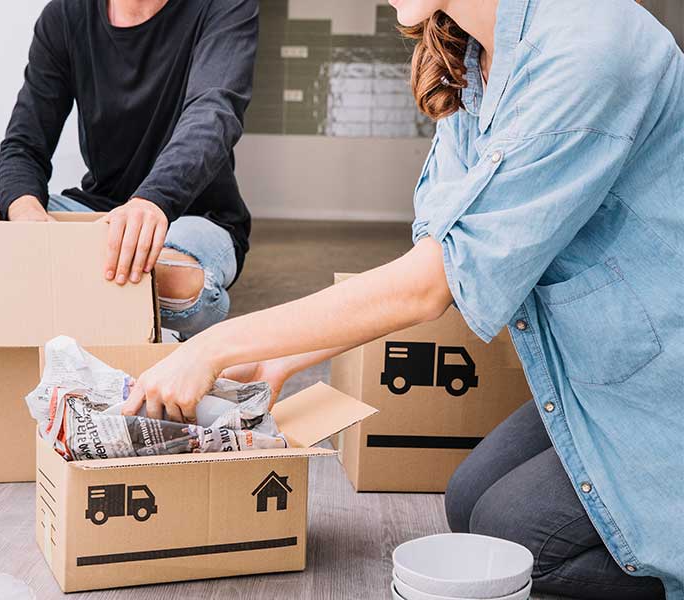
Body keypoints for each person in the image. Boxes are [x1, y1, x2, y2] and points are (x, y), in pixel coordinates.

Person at [119, 0, 684, 598]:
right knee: (470, 503)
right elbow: (433, 258)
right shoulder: (475, 56)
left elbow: (431, 283)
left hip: (662, 386)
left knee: (509, 536)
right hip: (597, 370)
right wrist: (283, 357)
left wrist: (213, 345)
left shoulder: (588, 47)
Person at [0, 0, 258, 338]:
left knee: (173, 282)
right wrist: (27, 217)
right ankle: (83, 302)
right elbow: (24, 142)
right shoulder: (66, 15)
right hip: (99, 208)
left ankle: (60, 294)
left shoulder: (224, 6)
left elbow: (212, 114)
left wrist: (152, 201)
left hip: (194, 215)